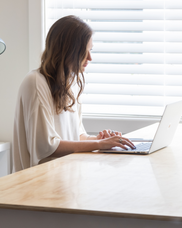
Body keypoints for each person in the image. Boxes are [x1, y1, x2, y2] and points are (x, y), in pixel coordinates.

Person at [12, 15, 136, 171]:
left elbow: (77, 137)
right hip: (39, 183)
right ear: (68, 51)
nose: (90, 58)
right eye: (84, 52)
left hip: (66, 180)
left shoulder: (71, 84)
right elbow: (46, 146)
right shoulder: (35, 82)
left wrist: (99, 139)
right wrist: (98, 144)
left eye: (90, 50)